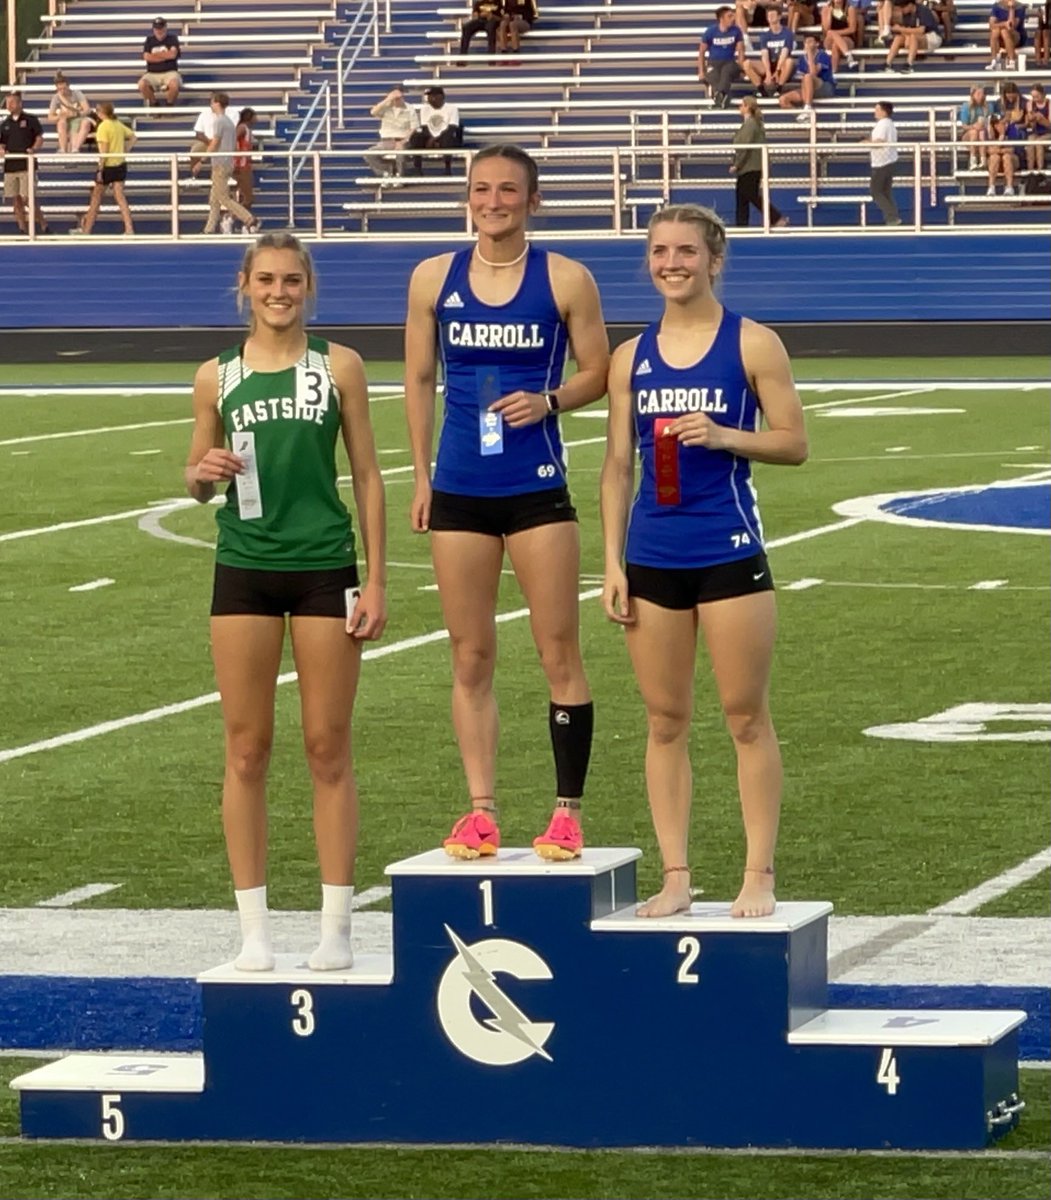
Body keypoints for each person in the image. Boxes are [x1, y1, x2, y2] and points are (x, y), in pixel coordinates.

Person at [184, 231, 388, 972]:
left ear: (309, 287)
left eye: (291, 280)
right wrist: (199, 472)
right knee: (245, 748)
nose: (278, 291)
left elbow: (366, 474)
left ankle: (335, 928)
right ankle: (255, 934)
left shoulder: (339, 367)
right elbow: (200, 476)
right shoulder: (215, 376)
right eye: (265, 279)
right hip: (242, 567)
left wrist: (377, 579)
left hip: (323, 569)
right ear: (244, 284)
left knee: (327, 746)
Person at [599, 203, 807, 920]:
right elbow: (617, 466)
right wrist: (612, 561)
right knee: (664, 720)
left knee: (745, 716)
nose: (671, 263)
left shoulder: (753, 343)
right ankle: (676, 875)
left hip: (727, 551)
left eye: (685, 251)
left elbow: (792, 442)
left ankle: (758, 873)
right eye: (660, 251)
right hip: (651, 559)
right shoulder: (630, 356)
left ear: (712, 260)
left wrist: (724, 436)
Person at [404, 143, 610, 862]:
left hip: (536, 494)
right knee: (470, 654)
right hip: (460, 490)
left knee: (558, 651)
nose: (493, 201)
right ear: (468, 196)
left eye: (508, 191)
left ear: (532, 199)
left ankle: (565, 812)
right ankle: (480, 809)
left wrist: (549, 399)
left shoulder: (565, 278)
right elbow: (419, 378)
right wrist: (422, 475)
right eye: (481, 189)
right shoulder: (433, 277)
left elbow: (600, 372)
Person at [192, 92, 259, 234]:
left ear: (217, 103)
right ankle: (208, 229)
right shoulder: (229, 122)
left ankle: (248, 218)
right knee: (214, 199)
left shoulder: (219, 121)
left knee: (222, 197)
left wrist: (202, 160)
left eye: (212, 102)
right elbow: (234, 146)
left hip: (220, 163)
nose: (211, 105)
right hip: (228, 162)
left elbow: (215, 143)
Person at [72, 101, 136, 236]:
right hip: (120, 164)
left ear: (101, 113)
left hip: (108, 166)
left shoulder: (103, 127)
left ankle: (87, 230)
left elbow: (104, 151)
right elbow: (133, 137)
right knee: (120, 198)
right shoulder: (118, 124)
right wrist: (125, 150)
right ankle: (129, 228)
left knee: (95, 199)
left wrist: (100, 169)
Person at [731, 98, 789, 227]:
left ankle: (775, 218)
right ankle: (741, 225)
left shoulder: (751, 124)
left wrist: (737, 164)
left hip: (751, 166)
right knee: (742, 196)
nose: (739, 108)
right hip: (748, 166)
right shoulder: (750, 124)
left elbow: (744, 146)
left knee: (751, 194)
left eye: (741, 105)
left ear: (747, 107)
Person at [0, 91, 50, 234]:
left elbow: (39, 138)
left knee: (28, 198)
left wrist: (33, 149)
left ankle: (43, 225)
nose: (9, 105)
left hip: (26, 165)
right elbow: (1, 143)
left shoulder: (31, 119)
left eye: (12, 102)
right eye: (8, 103)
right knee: (15, 200)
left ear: (20, 103)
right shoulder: (5, 124)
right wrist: (2, 151)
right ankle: (22, 229)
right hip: (10, 167)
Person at [778, 33, 836, 122]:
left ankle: (807, 106)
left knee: (808, 76)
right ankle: (803, 117)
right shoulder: (802, 59)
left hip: (825, 86)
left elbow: (813, 73)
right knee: (783, 99)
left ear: (817, 43)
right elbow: (801, 77)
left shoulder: (823, 55)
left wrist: (809, 53)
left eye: (810, 41)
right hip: (807, 88)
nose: (807, 44)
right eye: (806, 42)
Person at [405, 86, 463, 175]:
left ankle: (448, 170)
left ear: (441, 97)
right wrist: (431, 138)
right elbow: (425, 127)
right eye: (429, 96)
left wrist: (435, 139)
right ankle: (418, 169)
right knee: (416, 137)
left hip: (446, 136)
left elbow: (452, 127)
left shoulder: (452, 108)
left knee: (447, 138)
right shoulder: (424, 109)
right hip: (429, 137)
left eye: (433, 96)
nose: (429, 99)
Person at [699, 7, 747, 109]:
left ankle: (718, 96)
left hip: (730, 63)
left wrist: (742, 68)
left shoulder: (736, 31)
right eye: (729, 16)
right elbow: (701, 52)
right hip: (714, 63)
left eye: (733, 16)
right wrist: (701, 71)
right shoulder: (710, 31)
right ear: (721, 19)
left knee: (726, 70)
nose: (733, 19)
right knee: (712, 75)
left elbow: (741, 50)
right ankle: (723, 97)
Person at [742, 8, 796, 98]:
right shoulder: (765, 35)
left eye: (773, 15)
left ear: (779, 17)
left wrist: (777, 71)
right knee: (747, 64)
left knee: (789, 61)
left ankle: (779, 88)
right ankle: (761, 90)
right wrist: (768, 73)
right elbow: (765, 55)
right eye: (769, 16)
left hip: (782, 66)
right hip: (770, 64)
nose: (770, 17)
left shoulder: (787, 33)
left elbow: (784, 53)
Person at [862, 100, 901, 225]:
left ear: (884, 112)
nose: (875, 112)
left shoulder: (883, 124)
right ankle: (893, 217)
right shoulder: (890, 124)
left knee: (876, 191)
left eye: (877, 109)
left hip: (882, 162)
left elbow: (879, 142)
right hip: (890, 160)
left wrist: (866, 143)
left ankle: (892, 217)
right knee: (886, 191)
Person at [363, 87, 416, 176]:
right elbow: (373, 112)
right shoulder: (385, 107)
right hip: (386, 140)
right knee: (369, 154)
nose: (397, 100)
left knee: (401, 153)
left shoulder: (410, 109)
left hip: (402, 139)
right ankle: (387, 171)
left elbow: (413, 129)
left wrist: (402, 142)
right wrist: (388, 99)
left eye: (399, 97)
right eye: (394, 97)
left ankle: (400, 176)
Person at [138, 16, 181, 108]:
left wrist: (154, 56)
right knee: (142, 84)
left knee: (174, 84)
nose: (159, 31)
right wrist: (165, 55)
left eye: (161, 28)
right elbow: (146, 57)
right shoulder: (149, 40)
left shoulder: (172, 39)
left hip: (170, 72)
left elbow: (173, 54)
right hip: (152, 73)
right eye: (157, 28)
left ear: (165, 27)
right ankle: (154, 104)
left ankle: (169, 105)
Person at [47, 72, 91, 155]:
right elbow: (50, 117)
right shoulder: (56, 98)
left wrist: (75, 114)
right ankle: (63, 149)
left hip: (78, 118)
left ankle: (75, 148)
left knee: (85, 123)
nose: (62, 91)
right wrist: (60, 116)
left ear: (68, 86)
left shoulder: (77, 94)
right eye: (60, 89)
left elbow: (87, 109)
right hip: (65, 120)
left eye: (64, 88)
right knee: (61, 123)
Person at [958, 84, 999, 169]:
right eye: (978, 94)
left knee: (982, 132)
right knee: (974, 132)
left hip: (984, 132)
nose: (980, 96)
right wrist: (973, 126)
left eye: (982, 94)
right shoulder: (966, 107)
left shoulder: (989, 106)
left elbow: (990, 122)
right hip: (969, 133)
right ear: (972, 95)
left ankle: (983, 160)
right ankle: (973, 161)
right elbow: (964, 126)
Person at [233, 106, 258, 212]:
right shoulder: (242, 128)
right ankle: (230, 217)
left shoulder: (247, 129)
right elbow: (233, 139)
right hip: (241, 165)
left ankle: (245, 223)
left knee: (247, 197)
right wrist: (236, 157)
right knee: (248, 197)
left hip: (246, 165)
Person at [1025, 83, 1050, 169]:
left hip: (1048, 132)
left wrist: (1041, 119)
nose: (1035, 99)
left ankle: (1040, 169)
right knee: (1030, 141)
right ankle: (1030, 169)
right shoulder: (1030, 104)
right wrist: (1032, 120)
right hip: (1036, 131)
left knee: (1039, 142)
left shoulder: (1049, 104)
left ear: (1043, 94)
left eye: (1037, 96)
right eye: (1033, 97)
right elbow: (1031, 126)